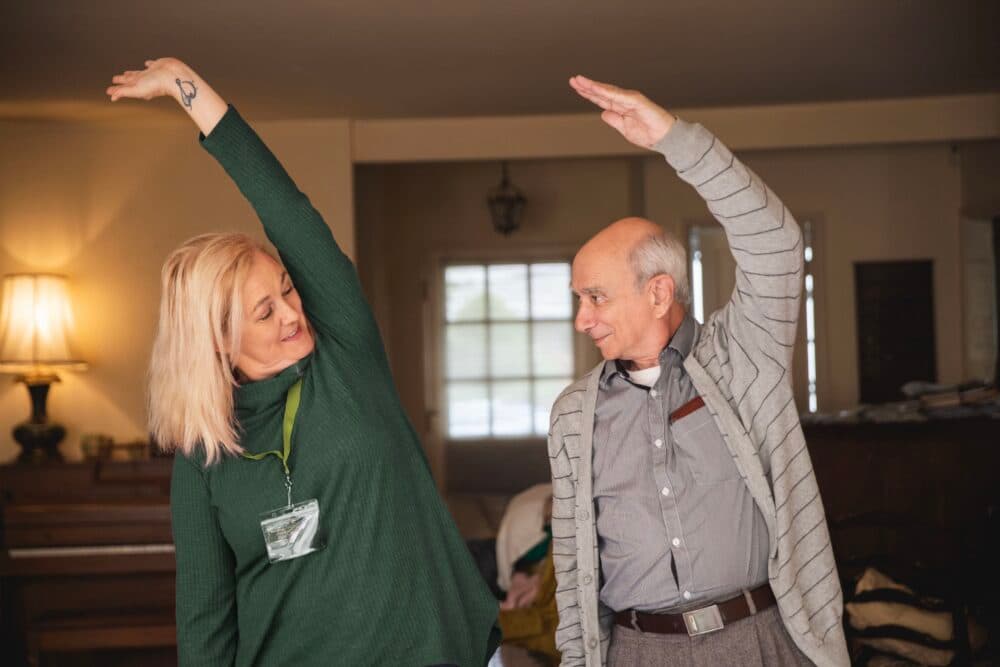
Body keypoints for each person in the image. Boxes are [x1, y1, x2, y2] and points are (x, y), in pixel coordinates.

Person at [107, 58, 499, 667]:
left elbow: (284, 206)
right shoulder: (204, 450)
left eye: (287, 289)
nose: (291, 313)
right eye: (264, 313)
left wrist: (189, 87)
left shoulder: (344, 357)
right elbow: (205, 620)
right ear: (218, 342)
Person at [547, 76, 850, 667]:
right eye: (578, 299)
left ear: (658, 293)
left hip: (760, 640)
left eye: (596, 297)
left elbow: (777, 246)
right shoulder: (573, 415)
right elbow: (572, 564)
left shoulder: (744, 357)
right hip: (638, 651)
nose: (582, 319)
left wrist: (672, 139)